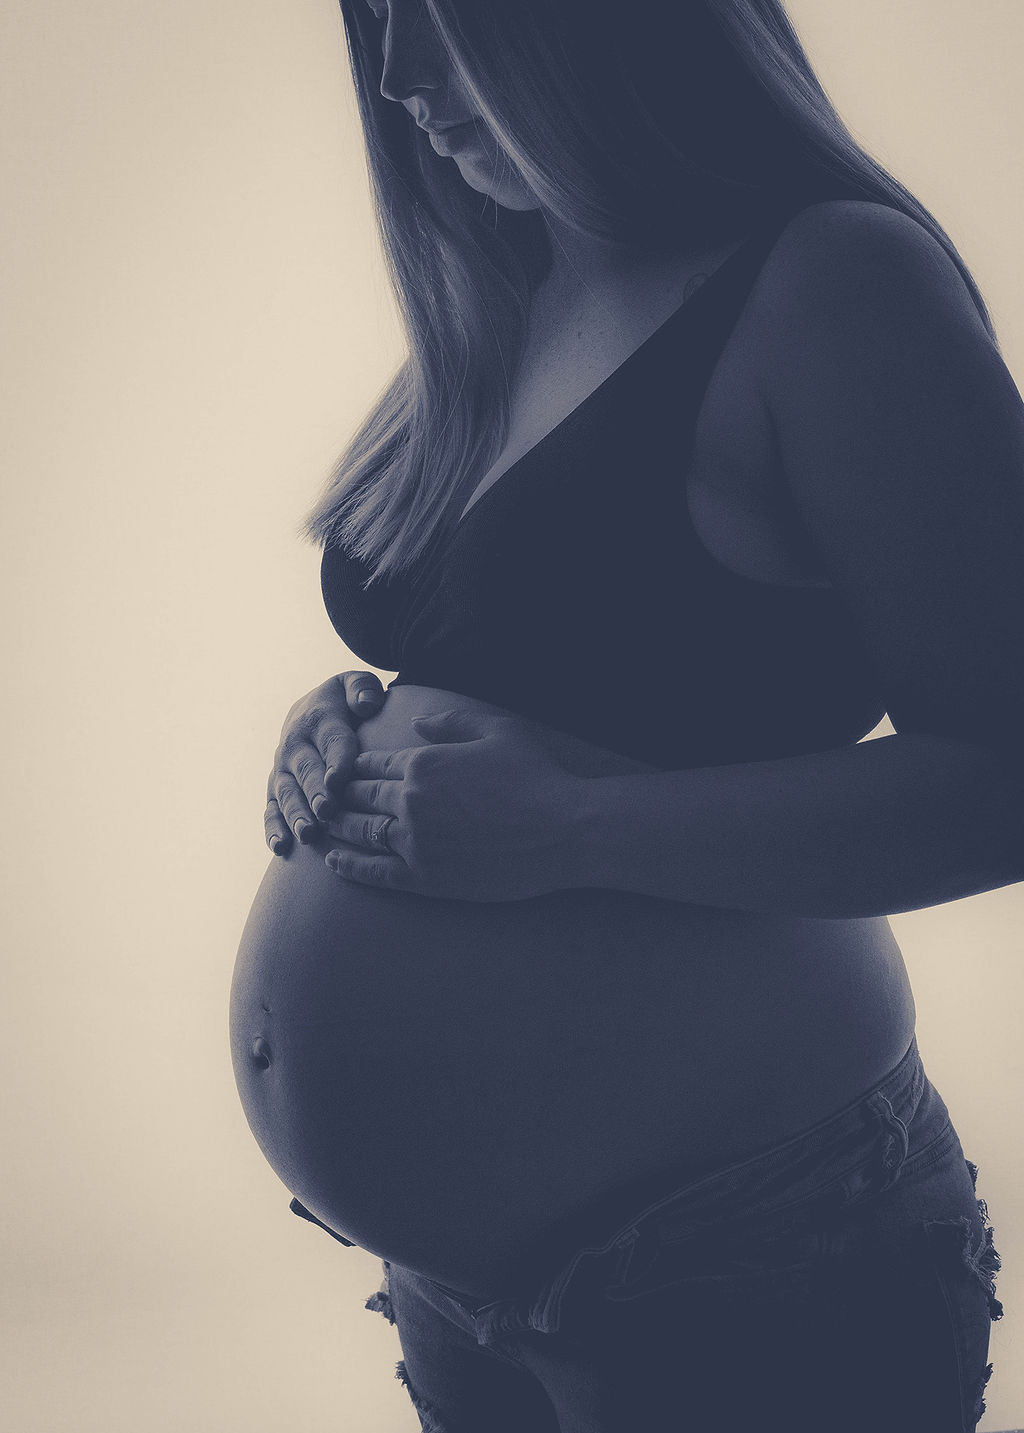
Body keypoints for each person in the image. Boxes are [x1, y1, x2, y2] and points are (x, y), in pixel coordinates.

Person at [251, 1, 1021, 1427]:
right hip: (456, 1282)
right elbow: (533, 653)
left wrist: (573, 828)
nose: (403, 78)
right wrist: (349, 727)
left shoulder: (834, 283)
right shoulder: (510, 284)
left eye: (444, 17)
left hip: (752, 1250)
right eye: (377, 22)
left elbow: (1009, 776)